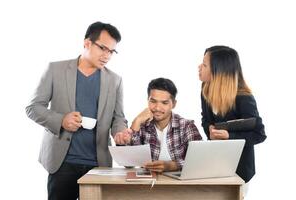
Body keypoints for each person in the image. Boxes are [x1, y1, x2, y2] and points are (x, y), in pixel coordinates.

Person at [26, 21, 130, 200]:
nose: (107, 56)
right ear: (87, 43)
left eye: (111, 51)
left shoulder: (115, 81)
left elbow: (118, 118)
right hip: (62, 162)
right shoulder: (55, 69)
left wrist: (120, 131)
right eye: (103, 48)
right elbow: (33, 108)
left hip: (99, 164)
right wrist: (61, 120)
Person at [198, 45, 267, 195]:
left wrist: (230, 136)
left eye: (204, 65)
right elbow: (205, 119)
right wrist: (209, 128)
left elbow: (259, 134)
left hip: (240, 170)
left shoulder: (244, 97)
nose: (199, 67)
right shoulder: (206, 89)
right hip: (217, 163)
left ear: (219, 70)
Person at [114, 78, 202, 172]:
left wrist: (173, 165)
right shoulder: (142, 126)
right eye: (153, 101)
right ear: (148, 100)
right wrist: (136, 121)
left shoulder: (186, 127)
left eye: (164, 103)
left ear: (174, 104)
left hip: (179, 184)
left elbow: (200, 159)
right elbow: (129, 164)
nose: (157, 108)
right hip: (149, 183)